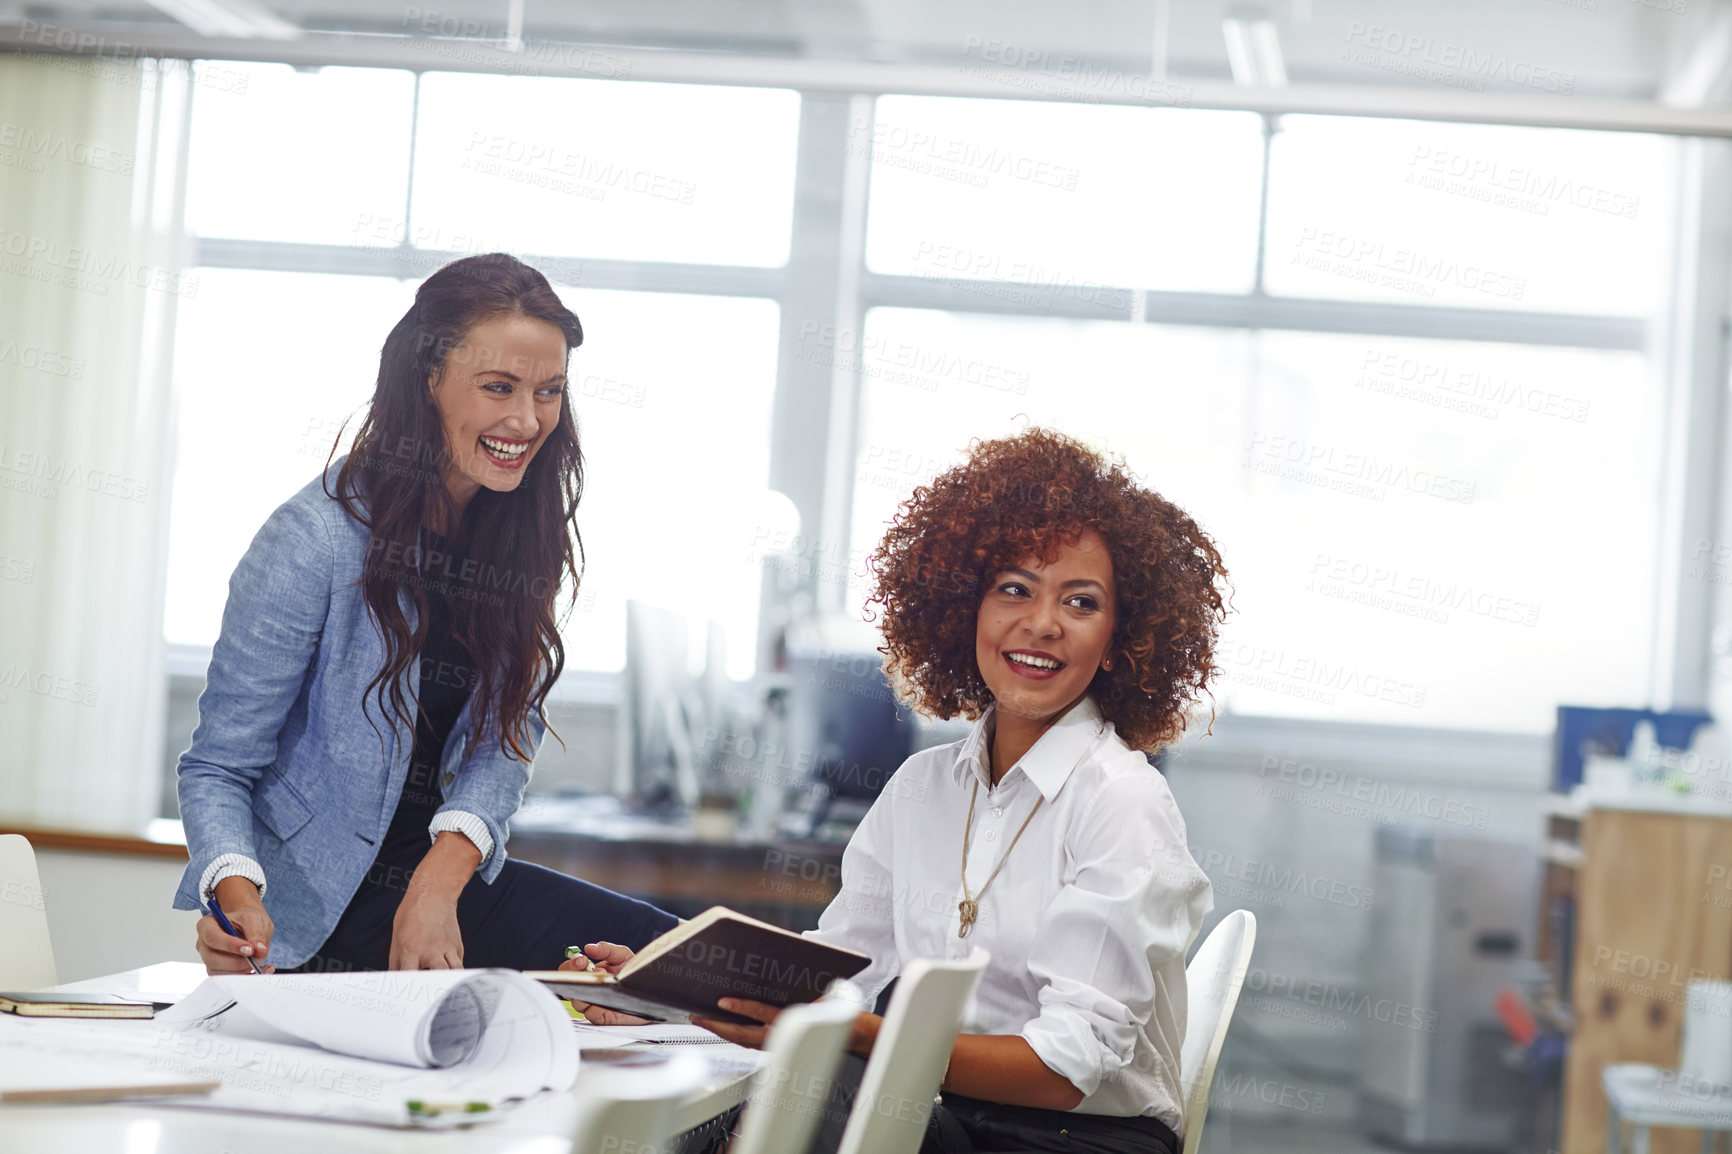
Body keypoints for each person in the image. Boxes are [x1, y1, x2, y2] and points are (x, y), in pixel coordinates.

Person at [570, 427, 1230, 1154]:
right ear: (962, 606)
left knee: (816, 1098)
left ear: (1121, 636)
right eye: (1013, 588)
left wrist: (857, 1037)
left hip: (1077, 1139)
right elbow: (836, 974)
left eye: (1080, 602)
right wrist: (666, 997)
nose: (1041, 624)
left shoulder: (1122, 804)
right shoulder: (922, 788)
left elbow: (1062, 1072)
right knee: (716, 1107)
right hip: (937, 1114)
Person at [173, 253, 677, 975]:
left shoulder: (515, 531)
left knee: (692, 966)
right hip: (318, 918)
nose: (527, 419)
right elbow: (218, 766)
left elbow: (505, 740)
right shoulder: (311, 540)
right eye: (498, 387)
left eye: (549, 391)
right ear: (427, 381)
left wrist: (437, 887)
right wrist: (235, 888)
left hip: (440, 885)